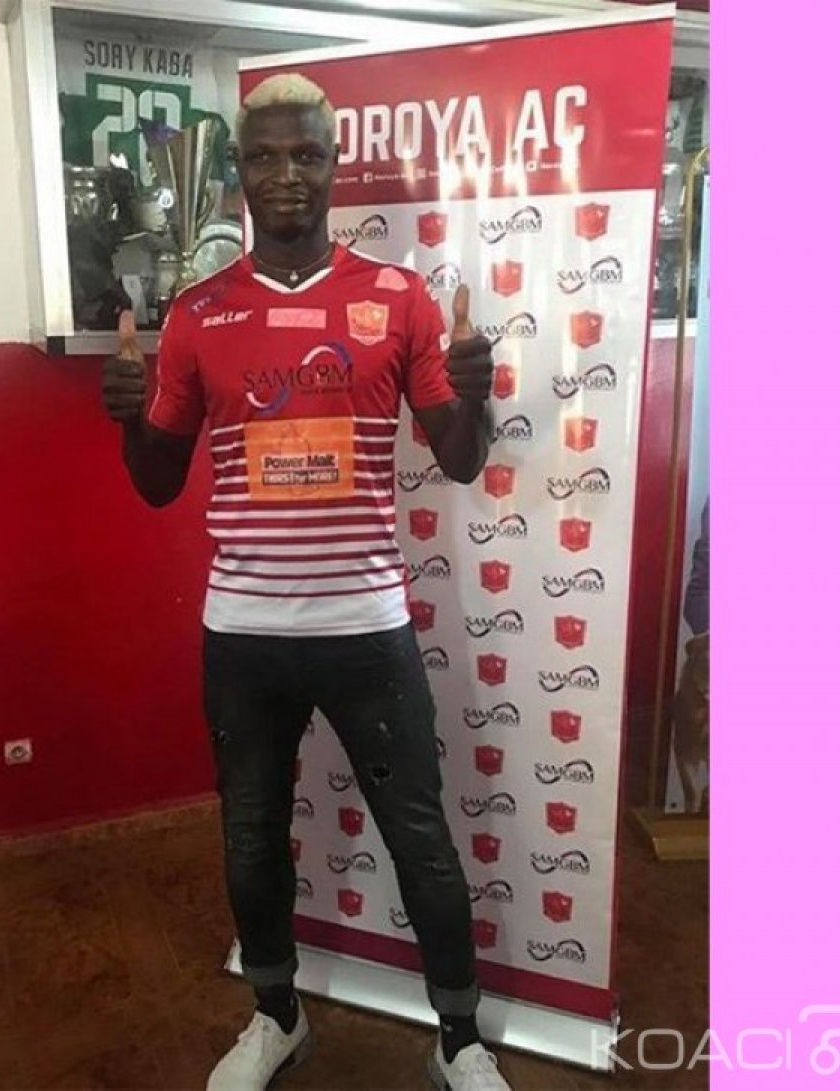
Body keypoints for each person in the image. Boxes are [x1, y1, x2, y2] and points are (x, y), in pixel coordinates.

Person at [101, 74, 513, 1091]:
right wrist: (126, 418)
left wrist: (477, 395)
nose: (285, 174)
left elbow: (460, 458)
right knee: (250, 834)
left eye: (306, 155)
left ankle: (459, 1038)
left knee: (419, 834)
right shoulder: (198, 313)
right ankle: (276, 1016)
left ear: (333, 167)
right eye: (264, 156)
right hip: (244, 633)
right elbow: (156, 484)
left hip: (365, 624)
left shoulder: (399, 298)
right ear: (241, 173)